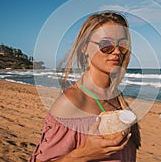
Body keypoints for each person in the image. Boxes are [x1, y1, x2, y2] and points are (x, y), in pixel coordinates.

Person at [30, 12, 141, 162]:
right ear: (84, 48)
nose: (116, 52)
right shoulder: (70, 102)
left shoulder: (118, 100)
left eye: (122, 45)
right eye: (105, 45)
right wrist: (83, 154)